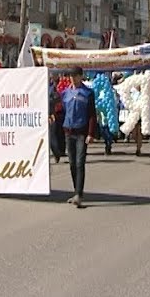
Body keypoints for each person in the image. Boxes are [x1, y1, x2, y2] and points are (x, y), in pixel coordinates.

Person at [61, 67, 97, 208]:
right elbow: (61, 111)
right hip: (69, 132)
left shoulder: (88, 93)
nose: (73, 78)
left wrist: (90, 133)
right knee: (71, 163)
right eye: (71, 76)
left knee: (79, 162)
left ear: (81, 76)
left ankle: (79, 194)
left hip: (81, 132)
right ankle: (76, 191)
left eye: (75, 76)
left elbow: (92, 115)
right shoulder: (65, 93)